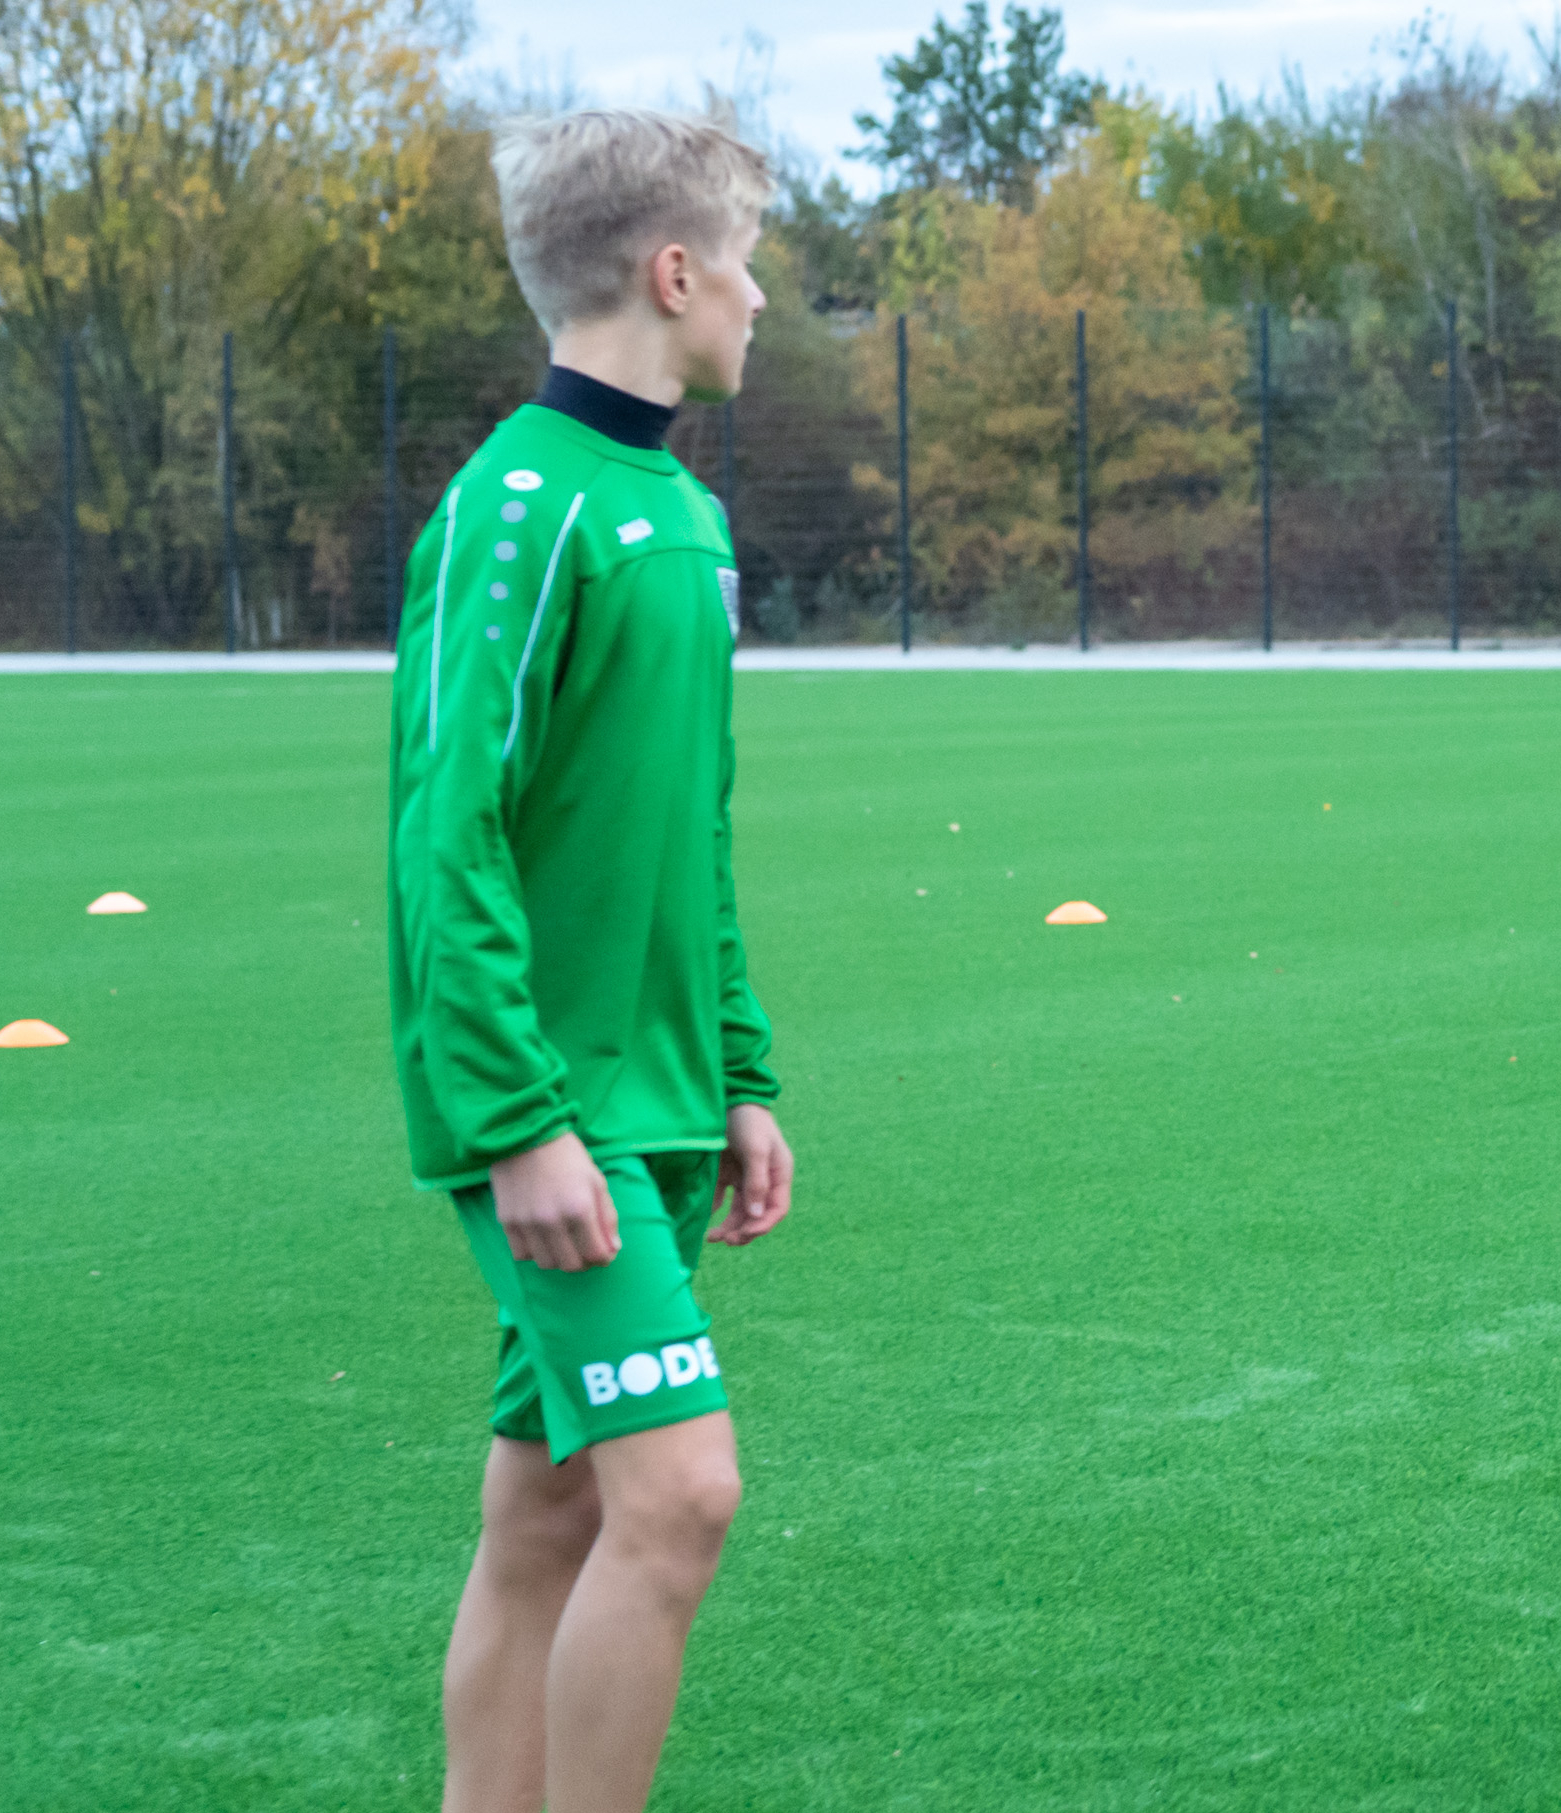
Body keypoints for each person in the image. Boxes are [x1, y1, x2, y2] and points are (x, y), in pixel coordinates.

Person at [389, 109, 795, 1813]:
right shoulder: (519, 505)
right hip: (554, 1109)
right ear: (673, 270)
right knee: (681, 1494)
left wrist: (744, 1063)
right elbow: (447, 825)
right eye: (750, 263)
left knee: (546, 1509)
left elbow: (684, 828)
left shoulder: (680, 516)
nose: (764, 300)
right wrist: (517, 1116)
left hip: (658, 1088)